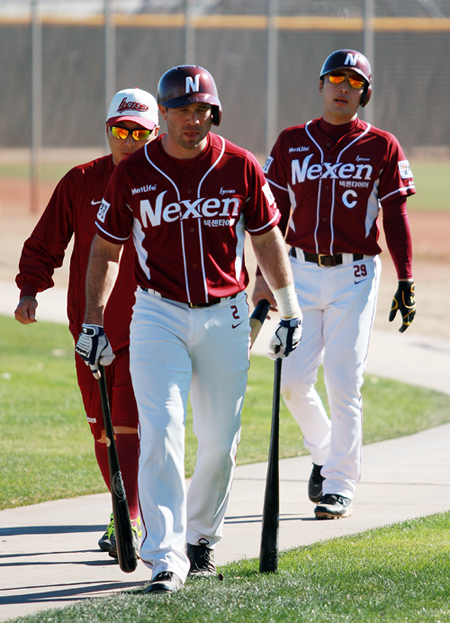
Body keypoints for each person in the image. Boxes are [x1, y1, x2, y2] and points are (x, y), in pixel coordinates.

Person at [75, 64, 302, 594]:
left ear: (213, 114)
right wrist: (91, 322)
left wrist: (289, 308)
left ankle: (201, 538)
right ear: (164, 115)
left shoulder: (241, 166)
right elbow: (105, 249)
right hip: (157, 313)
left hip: (226, 314)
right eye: (181, 110)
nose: (192, 120)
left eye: (202, 110)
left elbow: (268, 239)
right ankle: (166, 555)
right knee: (163, 430)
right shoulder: (134, 171)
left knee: (221, 441)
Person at [253, 49, 416, 521]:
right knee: (293, 380)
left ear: (364, 93)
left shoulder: (381, 145)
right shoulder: (291, 142)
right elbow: (269, 220)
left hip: (355, 275)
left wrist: (405, 277)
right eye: (335, 78)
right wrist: (264, 277)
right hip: (297, 272)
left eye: (353, 81)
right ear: (321, 86)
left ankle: (340, 483)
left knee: (344, 379)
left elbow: (397, 215)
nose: (343, 87)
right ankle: (325, 453)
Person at [15, 87, 160, 556]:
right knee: (101, 426)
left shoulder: (165, 183)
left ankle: (131, 519)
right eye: (122, 130)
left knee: (129, 424)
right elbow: (46, 241)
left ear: (155, 134)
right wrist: (30, 289)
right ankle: (124, 510)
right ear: (108, 131)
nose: (129, 140)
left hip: (150, 325)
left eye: (139, 132)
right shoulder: (81, 181)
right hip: (91, 327)